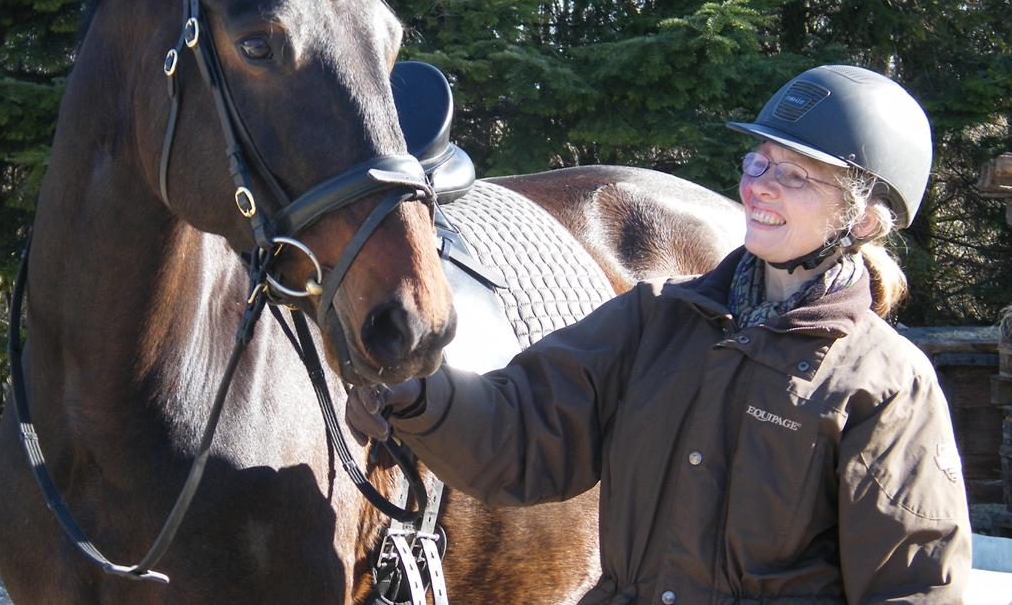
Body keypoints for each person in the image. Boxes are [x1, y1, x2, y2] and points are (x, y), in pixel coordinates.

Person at [347, 64, 972, 605]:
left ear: (863, 220)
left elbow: (913, 584)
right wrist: (418, 395)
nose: (758, 185)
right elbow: (521, 429)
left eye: (796, 176)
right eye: (760, 161)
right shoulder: (654, 320)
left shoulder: (888, 386)